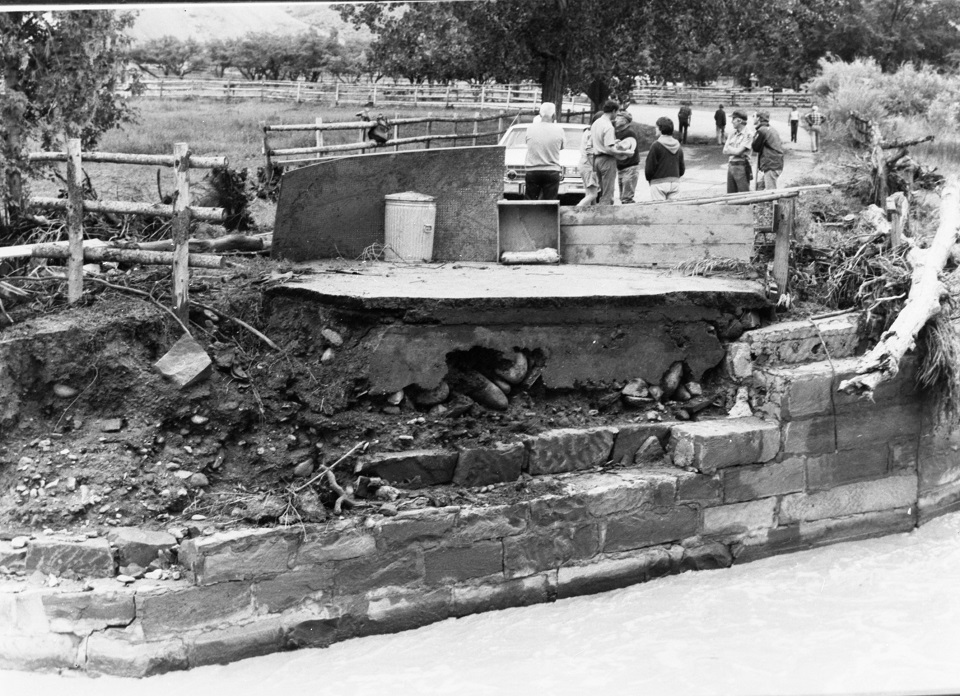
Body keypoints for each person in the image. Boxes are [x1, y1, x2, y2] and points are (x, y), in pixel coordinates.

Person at [523, 102, 565, 200]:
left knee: (530, 200)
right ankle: (548, 215)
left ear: (540, 114)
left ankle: (529, 215)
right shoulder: (559, 129)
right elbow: (562, 147)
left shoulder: (530, 129)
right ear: (554, 115)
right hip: (552, 170)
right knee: (550, 201)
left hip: (532, 170)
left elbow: (527, 143)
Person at [644, 116, 685, 200]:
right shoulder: (678, 146)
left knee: (659, 210)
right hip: (674, 183)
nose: (655, 129)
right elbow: (682, 169)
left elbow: (649, 169)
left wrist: (650, 180)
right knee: (673, 210)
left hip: (658, 183)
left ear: (660, 129)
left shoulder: (656, 145)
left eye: (656, 127)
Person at [590, 99, 622, 205]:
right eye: (617, 112)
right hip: (607, 159)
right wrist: (622, 153)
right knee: (608, 192)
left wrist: (613, 142)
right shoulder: (608, 126)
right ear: (613, 111)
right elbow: (609, 148)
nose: (616, 115)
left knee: (601, 189)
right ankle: (604, 215)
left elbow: (597, 140)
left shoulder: (596, 123)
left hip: (597, 159)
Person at [613, 110, 644, 204]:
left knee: (626, 198)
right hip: (621, 168)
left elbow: (625, 146)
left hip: (629, 167)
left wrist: (616, 144)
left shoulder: (629, 133)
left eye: (618, 118)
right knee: (623, 197)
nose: (616, 120)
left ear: (625, 121)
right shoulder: (617, 132)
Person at [751, 110, 784, 191]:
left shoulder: (762, 130)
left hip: (771, 165)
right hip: (775, 163)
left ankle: (774, 203)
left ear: (758, 118)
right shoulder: (771, 129)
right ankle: (760, 203)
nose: (752, 118)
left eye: (753, 116)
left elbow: (755, 148)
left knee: (771, 191)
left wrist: (754, 139)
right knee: (759, 186)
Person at [722, 109, 752, 193]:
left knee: (744, 193)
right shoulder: (732, 133)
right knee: (731, 193)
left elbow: (738, 152)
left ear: (739, 120)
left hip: (741, 165)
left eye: (733, 119)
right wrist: (734, 150)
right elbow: (724, 150)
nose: (732, 122)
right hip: (731, 165)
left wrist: (730, 149)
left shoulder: (748, 134)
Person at [576, 113, 600, 207]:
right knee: (593, 194)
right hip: (589, 165)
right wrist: (594, 169)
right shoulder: (592, 134)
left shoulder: (587, 132)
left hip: (583, 164)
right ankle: (576, 210)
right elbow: (590, 152)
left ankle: (592, 215)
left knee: (589, 193)